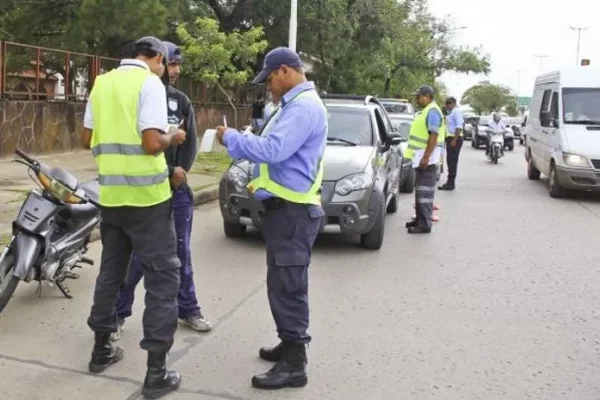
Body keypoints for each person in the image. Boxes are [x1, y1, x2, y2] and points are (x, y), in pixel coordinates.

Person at [215, 47, 326, 390]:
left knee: (289, 286)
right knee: (282, 283)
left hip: (293, 211)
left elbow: (273, 150)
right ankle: (288, 343)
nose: (268, 87)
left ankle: (295, 362)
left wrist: (231, 138)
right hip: (285, 210)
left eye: (270, 80)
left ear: (283, 72)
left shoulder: (303, 107)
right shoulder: (292, 106)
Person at [81, 36, 183, 398]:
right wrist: (174, 136)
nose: (166, 68)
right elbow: (152, 142)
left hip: (112, 198)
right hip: (148, 200)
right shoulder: (149, 83)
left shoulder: (102, 82)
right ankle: (156, 372)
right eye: (165, 62)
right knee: (162, 279)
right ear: (155, 58)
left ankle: (100, 350)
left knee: (111, 273)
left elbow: (85, 137)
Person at [111, 41, 212, 343]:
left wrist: (180, 173)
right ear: (157, 62)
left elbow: (189, 142)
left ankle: (187, 309)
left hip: (177, 191)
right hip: (146, 189)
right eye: (171, 63)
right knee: (139, 258)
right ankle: (117, 313)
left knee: (181, 252)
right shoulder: (138, 95)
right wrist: (166, 171)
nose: (176, 70)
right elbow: (141, 143)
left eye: (179, 64)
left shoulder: (180, 100)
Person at [404, 85, 445, 234]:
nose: (417, 99)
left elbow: (433, 136)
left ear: (427, 96)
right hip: (421, 157)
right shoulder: (426, 111)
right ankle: (420, 219)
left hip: (427, 159)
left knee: (425, 193)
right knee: (420, 191)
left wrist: (426, 157)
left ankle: (425, 224)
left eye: (419, 96)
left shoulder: (432, 111)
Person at [439, 97, 464, 191]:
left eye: (449, 103)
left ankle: (451, 183)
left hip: (455, 139)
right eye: (446, 103)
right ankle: (450, 182)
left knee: (452, 161)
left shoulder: (456, 112)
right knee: (450, 161)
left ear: (454, 103)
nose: (447, 105)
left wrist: (454, 139)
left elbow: (459, 126)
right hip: (450, 138)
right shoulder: (450, 112)